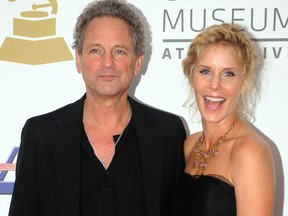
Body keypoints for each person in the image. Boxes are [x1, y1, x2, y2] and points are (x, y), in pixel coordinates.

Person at [9, 0, 186, 215]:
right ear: (78, 59)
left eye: (119, 51)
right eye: (95, 50)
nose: (108, 62)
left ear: (138, 62)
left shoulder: (168, 133)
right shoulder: (40, 135)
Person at [168, 23, 275, 216]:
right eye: (205, 71)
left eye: (228, 74)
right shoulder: (190, 145)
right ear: (191, 76)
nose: (215, 85)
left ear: (242, 83)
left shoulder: (250, 152)